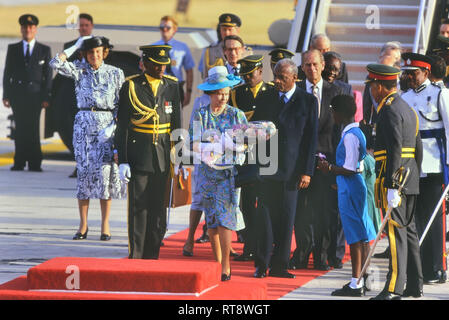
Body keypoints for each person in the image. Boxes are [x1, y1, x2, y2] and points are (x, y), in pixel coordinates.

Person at [50, 36, 126, 241]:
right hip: (84, 124)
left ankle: (105, 225)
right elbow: (55, 63)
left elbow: (121, 105)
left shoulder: (115, 73)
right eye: (91, 52)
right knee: (83, 176)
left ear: (104, 52)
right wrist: (75, 46)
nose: (95, 55)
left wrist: (114, 126)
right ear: (86, 53)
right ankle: (83, 225)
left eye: (98, 52)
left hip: (106, 125)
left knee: (104, 177)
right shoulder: (80, 70)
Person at [253, 58, 318, 279]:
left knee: (287, 218)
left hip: (292, 170)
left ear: (295, 78)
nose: (277, 81)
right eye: (276, 76)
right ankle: (261, 264)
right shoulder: (265, 98)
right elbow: (256, 134)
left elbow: (311, 139)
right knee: (265, 217)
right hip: (268, 168)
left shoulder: (307, 101)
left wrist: (307, 171)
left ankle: (280, 265)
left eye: (283, 77)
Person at [115, 44, 181, 259]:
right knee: (139, 207)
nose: (161, 69)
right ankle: (137, 253)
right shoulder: (132, 86)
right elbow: (123, 125)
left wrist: (180, 155)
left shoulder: (171, 85)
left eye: (164, 65)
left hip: (162, 155)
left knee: (158, 208)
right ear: (145, 63)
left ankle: (153, 253)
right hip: (139, 154)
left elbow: (176, 123)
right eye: (157, 64)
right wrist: (123, 160)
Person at [367, 63, 423, 300]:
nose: (370, 89)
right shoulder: (406, 107)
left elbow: (395, 149)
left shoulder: (389, 110)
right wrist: (413, 176)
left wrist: (392, 185)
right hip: (409, 177)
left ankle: (393, 288)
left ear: (380, 86)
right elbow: (417, 149)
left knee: (395, 234)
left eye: (372, 85)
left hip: (396, 179)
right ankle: (414, 285)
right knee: (409, 232)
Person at [191, 65, 246, 281]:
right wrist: (208, 150)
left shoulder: (236, 114)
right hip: (207, 173)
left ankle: (226, 265)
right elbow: (193, 143)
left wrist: (234, 146)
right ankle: (216, 262)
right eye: (218, 93)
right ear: (211, 93)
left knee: (226, 219)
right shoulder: (201, 114)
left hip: (228, 175)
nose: (222, 98)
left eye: (226, 93)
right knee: (212, 220)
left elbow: (247, 143)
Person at [317, 94, 376, 296]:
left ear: (339, 113)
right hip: (351, 186)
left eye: (333, 110)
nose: (331, 113)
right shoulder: (354, 132)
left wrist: (329, 168)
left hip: (351, 186)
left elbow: (350, 169)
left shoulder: (350, 135)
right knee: (362, 235)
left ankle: (355, 283)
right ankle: (363, 277)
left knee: (355, 236)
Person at [290, 49, 342, 271]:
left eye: (314, 64)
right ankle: (302, 251)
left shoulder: (337, 92)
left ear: (323, 65)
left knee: (323, 211)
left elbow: (340, 131)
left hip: (326, 161)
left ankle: (321, 255)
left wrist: (337, 168)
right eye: (307, 65)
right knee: (300, 211)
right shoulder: (296, 91)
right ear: (301, 67)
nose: (311, 69)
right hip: (300, 162)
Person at [401, 53, 448, 285]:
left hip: (434, 165)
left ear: (426, 73)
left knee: (434, 218)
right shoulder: (404, 97)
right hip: (411, 167)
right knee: (416, 219)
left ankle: (437, 267)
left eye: (414, 73)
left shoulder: (440, 95)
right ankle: (420, 268)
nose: (409, 77)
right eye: (407, 73)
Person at [229, 55, 278, 261]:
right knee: (247, 203)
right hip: (246, 153)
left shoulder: (272, 92)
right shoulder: (237, 93)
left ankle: (266, 246)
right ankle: (249, 246)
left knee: (266, 201)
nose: (248, 78)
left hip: (268, 152)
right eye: (245, 75)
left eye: (251, 74)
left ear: (260, 71)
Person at [2, 14, 52, 172]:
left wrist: (46, 96)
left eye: (30, 27)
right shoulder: (13, 48)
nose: (27, 30)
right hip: (18, 96)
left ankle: (35, 163)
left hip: (35, 96)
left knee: (33, 129)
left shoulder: (44, 50)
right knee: (20, 129)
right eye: (24, 27)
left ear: (35, 29)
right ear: (21, 29)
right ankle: (19, 162)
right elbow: (7, 73)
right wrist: (6, 95)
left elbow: (48, 76)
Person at [61, 13, 95, 178]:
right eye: (80, 25)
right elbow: (61, 67)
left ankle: (93, 166)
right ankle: (79, 165)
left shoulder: (99, 44)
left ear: (91, 26)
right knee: (77, 135)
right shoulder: (71, 46)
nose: (83, 28)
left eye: (86, 25)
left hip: (95, 100)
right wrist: (76, 47)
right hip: (76, 98)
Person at [152, 15, 195, 107]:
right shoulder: (154, 47)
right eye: (162, 27)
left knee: (177, 118)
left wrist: (189, 92)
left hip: (176, 87)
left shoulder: (182, 47)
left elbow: (189, 71)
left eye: (168, 27)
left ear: (174, 29)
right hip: (158, 87)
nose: (164, 30)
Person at [198, 13, 241, 79]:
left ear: (238, 30)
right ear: (220, 30)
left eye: (230, 30)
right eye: (224, 29)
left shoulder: (246, 51)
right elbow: (204, 74)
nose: (227, 33)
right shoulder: (209, 51)